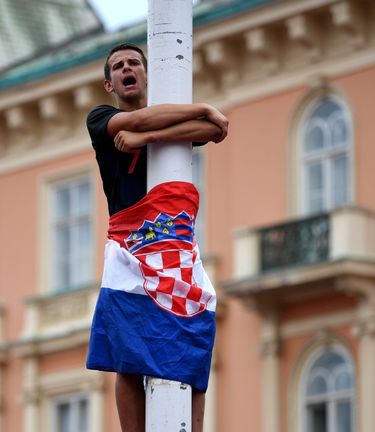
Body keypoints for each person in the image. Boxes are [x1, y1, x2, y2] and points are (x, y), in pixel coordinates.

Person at [85, 43, 228, 432]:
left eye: (134, 63)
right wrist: (201, 109)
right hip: (130, 245)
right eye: (118, 66)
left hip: (175, 242)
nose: (126, 68)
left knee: (196, 333)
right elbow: (148, 121)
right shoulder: (101, 118)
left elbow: (215, 130)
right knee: (127, 353)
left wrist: (146, 139)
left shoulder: (149, 127)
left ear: (148, 74)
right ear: (109, 83)